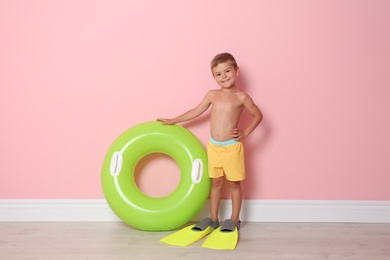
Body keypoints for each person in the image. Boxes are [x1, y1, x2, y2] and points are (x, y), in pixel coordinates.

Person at [158, 52, 262, 236]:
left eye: (228, 71)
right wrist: (174, 120)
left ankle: (234, 219)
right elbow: (196, 111)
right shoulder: (212, 95)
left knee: (234, 184)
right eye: (219, 74)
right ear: (214, 77)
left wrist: (245, 132)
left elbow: (258, 115)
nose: (224, 77)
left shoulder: (241, 97)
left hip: (231, 147)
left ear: (237, 71)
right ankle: (213, 219)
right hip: (214, 147)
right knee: (215, 182)